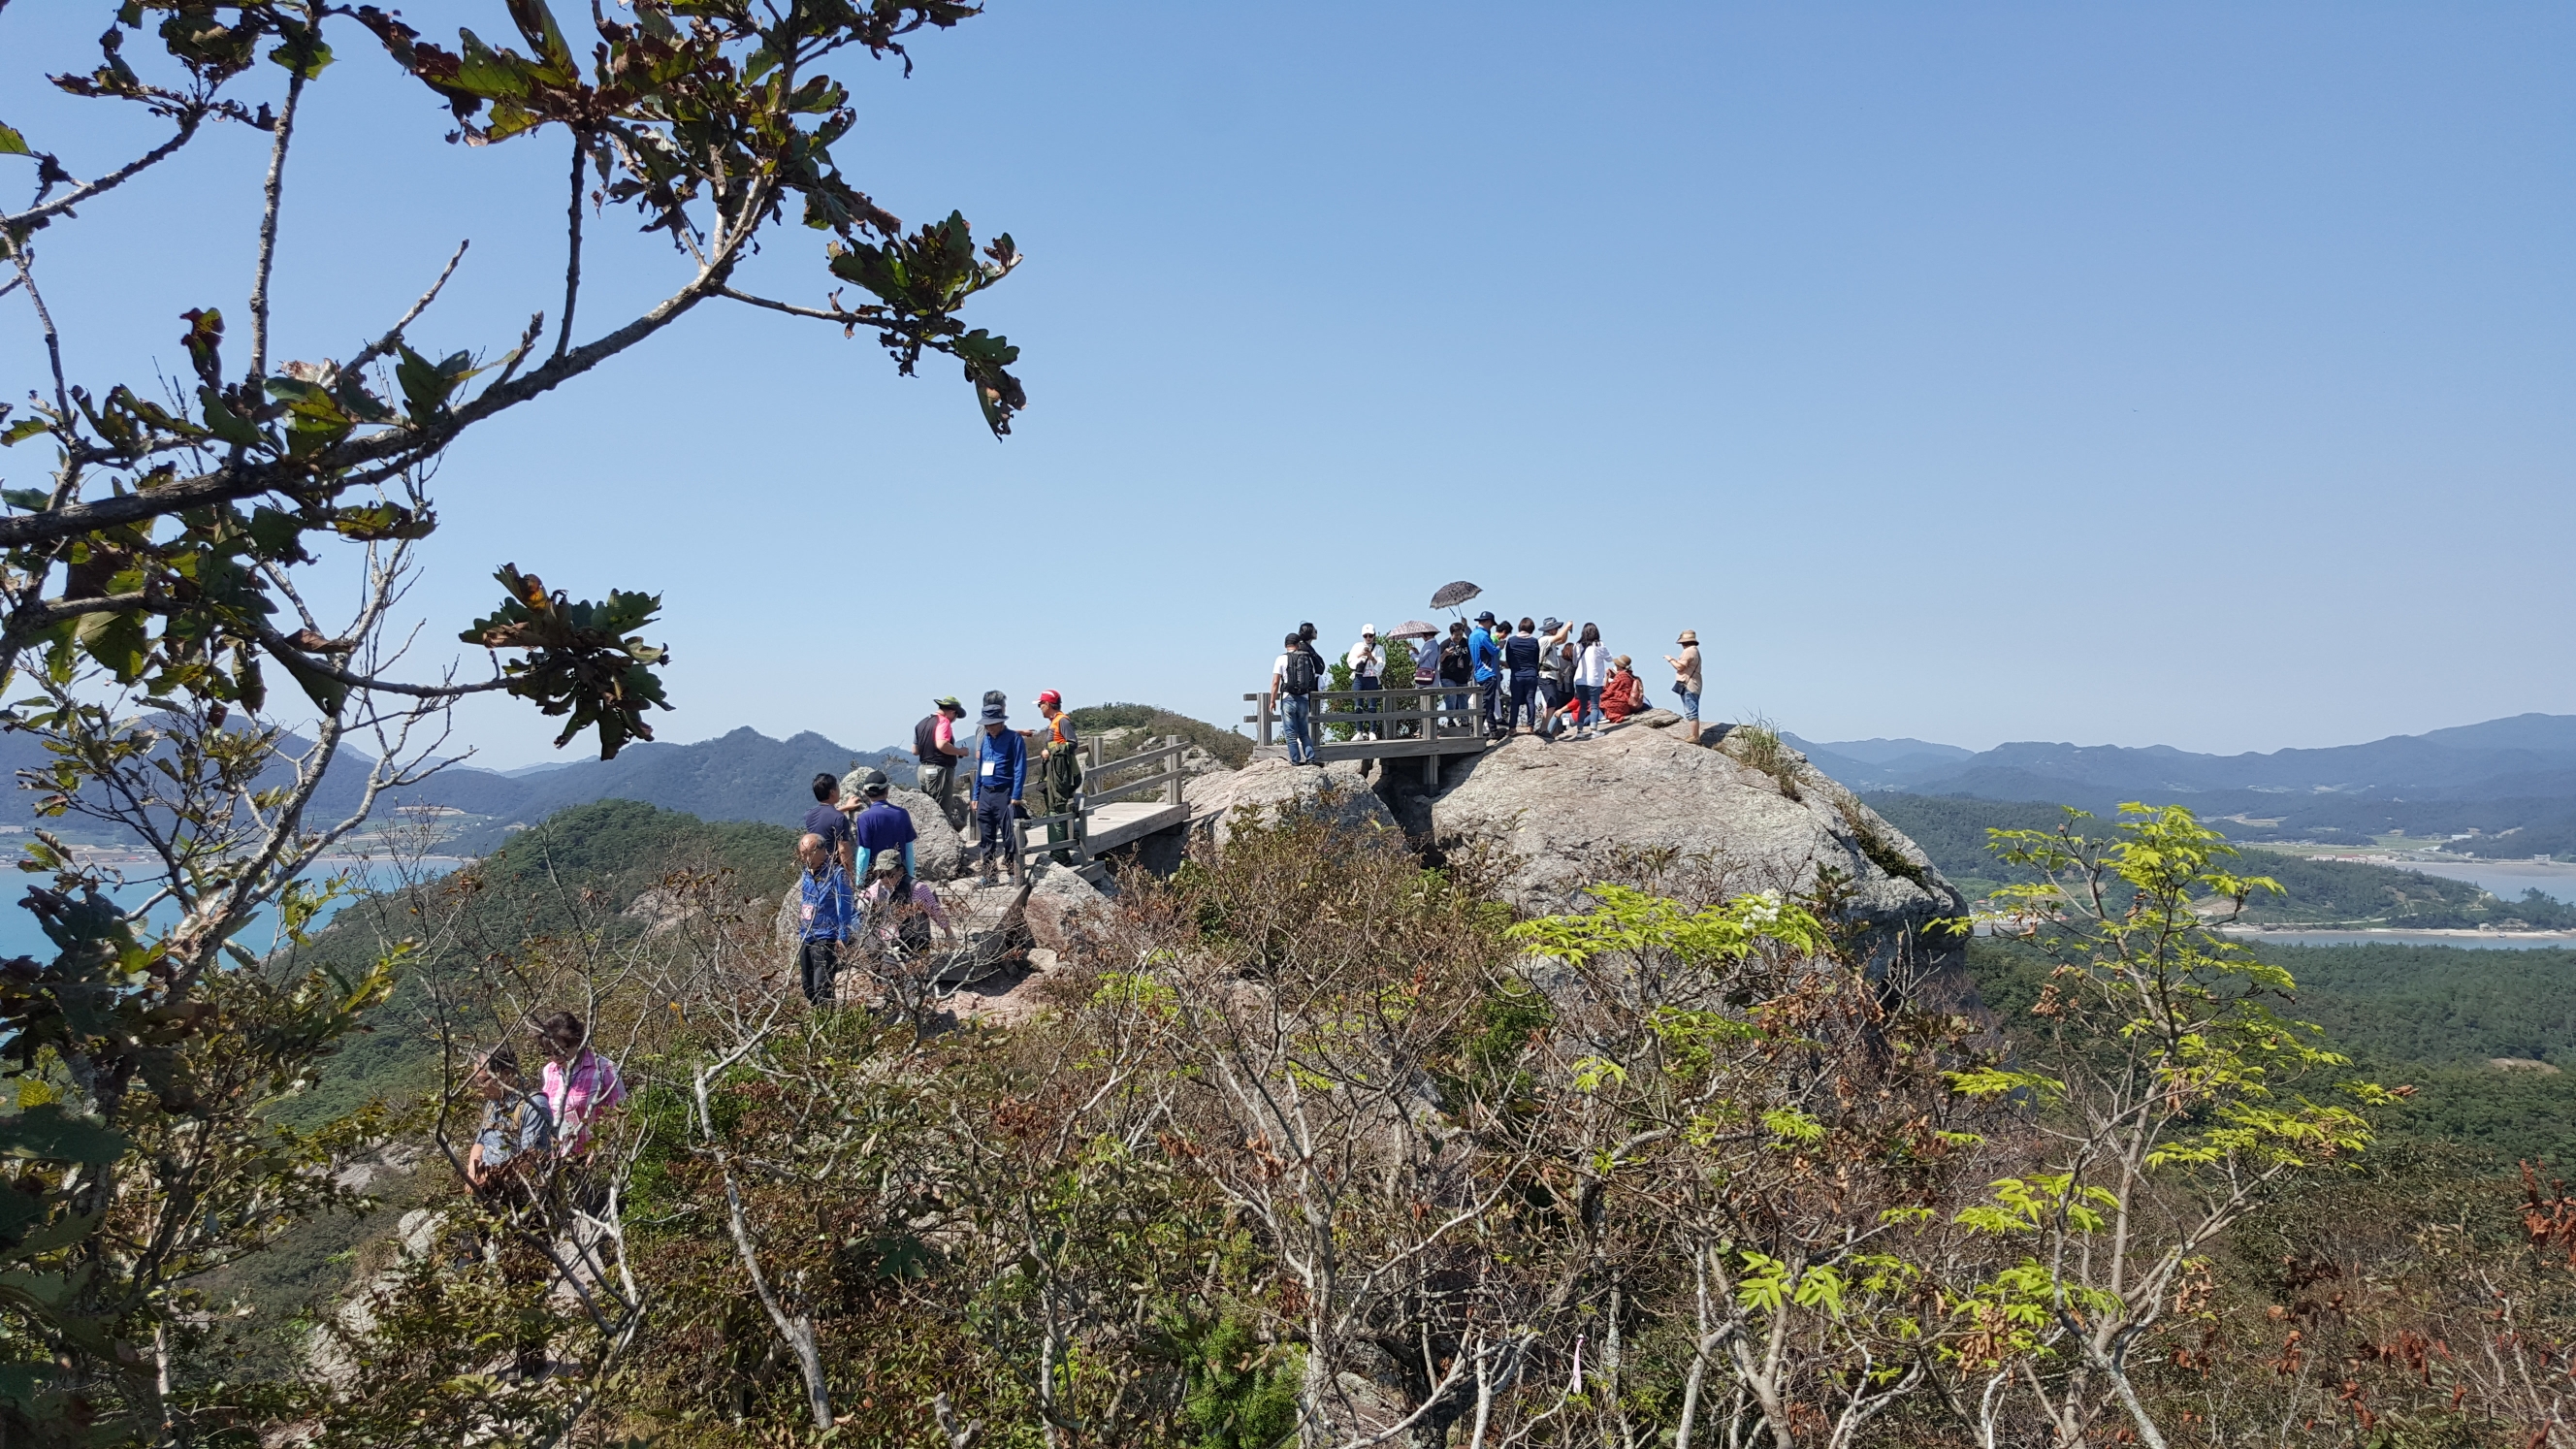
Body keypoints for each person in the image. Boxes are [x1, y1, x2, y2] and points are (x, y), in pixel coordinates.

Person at [535, 1011, 625, 1162]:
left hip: (594, 1157)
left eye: (559, 1050)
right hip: (559, 1158)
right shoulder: (549, 1071)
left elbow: (621, 1115)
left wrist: (600, 1149)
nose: (554, 1057)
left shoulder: (605, 1069)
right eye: (548, 1053)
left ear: (577, 1041)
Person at [467, 1045, 555, 1196]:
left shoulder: (533, 1106)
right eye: (476, 1082)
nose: (479, 1088)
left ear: (506, 1074)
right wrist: (472, 1171)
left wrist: (490, 1178)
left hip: (520, 1193)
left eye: (483, 1081)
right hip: (488, 1190)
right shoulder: (492, 1104)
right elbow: (481, 1141)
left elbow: (531, 1159)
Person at [795, 830, 856, 1005]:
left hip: (826, 936)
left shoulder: (837, 874)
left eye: (811, 853)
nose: (807, 858)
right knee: (807, 985)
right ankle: (818, 1020)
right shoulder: (806, 873)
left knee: (822, 986)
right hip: (806, 935)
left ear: (824, 851)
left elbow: (845, 906)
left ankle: (828, 1022)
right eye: (803, 854)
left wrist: (842, 935)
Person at [973, 699, 1028, 885]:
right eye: (986, 725)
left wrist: (1017, 795)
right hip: (985, 794)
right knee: (986, 836)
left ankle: (1013, 872)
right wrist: (975, 795)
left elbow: (1020, 767)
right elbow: (980, 768)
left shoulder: (1014, 739)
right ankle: (989, 875)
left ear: (1001, 722)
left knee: (1008, 835)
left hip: (1005, 792)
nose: (989, 728)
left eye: (992, 725)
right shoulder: (985, 740)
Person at [858, 852, 955, 958]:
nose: (885, 878)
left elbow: (936, 911)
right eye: (880, 874)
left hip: (914, 943)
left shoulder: (917, 888)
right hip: (886, 944)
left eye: (889, 874)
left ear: (900, 871)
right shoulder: (875, 890)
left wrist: (949, 934)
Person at [1028, 690, 1081, 864]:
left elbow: (1073, 743)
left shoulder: (1062, 721)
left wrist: (1050, 749)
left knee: (1057, 808)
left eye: (1040, 704)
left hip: (1059, 774)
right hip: (1053, 773)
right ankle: (1058, 852)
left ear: (1049, 705)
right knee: (1053, 809)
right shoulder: (1055, 721)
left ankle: (1059, 854)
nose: (1039, 707)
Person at [850, 767, 918, 891]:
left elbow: (864, 853)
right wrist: (911, 877)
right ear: (887, 790)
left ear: (865, 792)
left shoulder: (865, 818)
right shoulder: (902, 814)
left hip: (876, 878)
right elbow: (909, 849)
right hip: (899, 876)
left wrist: (859, 883)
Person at [913, 696, 969, 831]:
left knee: (928, 808)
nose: (954, 719)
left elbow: (915, 750)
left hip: (923, 769)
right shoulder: (943, 722)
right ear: (952, 711)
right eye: (956, 715)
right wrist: (960, 751)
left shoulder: (921, 723)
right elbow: (941, 744)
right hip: (939, 770)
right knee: (941, 810)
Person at [1271, 631, 1321, 766]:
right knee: (1304, 733)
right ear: (1298, 644)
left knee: (1291, 734)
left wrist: (1272, 701)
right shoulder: (1307, 658)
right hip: (1304, 698)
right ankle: (1310, 758)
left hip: (1288, 698)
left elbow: (1275, 682)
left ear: (1286, 645)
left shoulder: (1281, 659)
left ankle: (1296, 761)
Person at [802, 772, 855, 877]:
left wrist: (845, 808)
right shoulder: (839, 818)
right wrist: (850, 876)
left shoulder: (808, 815)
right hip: (832, 870)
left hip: (815, 868)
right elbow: (843, 850)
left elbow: (824, 816)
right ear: (832, 792)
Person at [1502, 617, 1542, 736]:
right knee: (1530, 700)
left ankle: (1512, 728)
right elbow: (1537, 659)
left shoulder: (1511, 641)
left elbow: (1509, 659)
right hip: (1531, 674)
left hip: (1517, 674)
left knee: (1515, 701)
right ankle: (1530, 726)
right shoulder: (1534, 641)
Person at [1533, 617, 1572, 741]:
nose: (1557, 630)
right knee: (1551, 701)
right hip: (1545, 675)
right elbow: (1560, 638)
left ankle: (1543, 729)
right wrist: (1567, 626)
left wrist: (1566, 630)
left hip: (1551, 676)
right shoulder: (1545, 639)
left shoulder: (1550, 640)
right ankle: (1543, 729)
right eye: (1555, 628)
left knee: (1552, 702)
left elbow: (1563, 639)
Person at [1664, 629, 1704, 742]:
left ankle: (1695, 736)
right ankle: (1694, 735)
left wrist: (1670, 659)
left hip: (1689, 684)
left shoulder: (1689, 651)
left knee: (1691, 711)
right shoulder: (1695, 651)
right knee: (1691, 709)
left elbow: (1680, 667)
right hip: (1695, 683)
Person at [1571, 624, 1609, 739]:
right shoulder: (1599, 645)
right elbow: (1609, 658)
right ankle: (1593, 731)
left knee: (1582, 706)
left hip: (1580, 679)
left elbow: (1574, 662)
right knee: (1594, 706)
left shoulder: (1577, 645)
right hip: (1595, 679)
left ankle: (1580, 731)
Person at [1345, 626, 1382, 742]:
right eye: (1365, 636)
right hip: (1359, 677)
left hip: (1372, 677)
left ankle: (1372, 731)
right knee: (1358, 705)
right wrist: (1361, 655)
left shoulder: (1379, 649)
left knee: (1372, 705)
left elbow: (1381, 666)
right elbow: (1350, 661)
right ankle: (1359, 731)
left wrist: (1371, 657)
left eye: (1370, 635)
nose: (1368, 638)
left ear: (1374, 635)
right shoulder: (1357, 646)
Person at [1468, 611, 1503, 736]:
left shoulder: (1472, 635)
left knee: (1488, 701)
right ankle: (1476, 729)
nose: (1491, 627)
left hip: (1478, 673)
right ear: (1488, 622)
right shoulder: (1483, 635)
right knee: (1487, 702)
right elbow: (1493, 651)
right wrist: (1500, 646)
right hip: (1488, 672)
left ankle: (1493, 730)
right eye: (1491, 624)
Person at [1437, 621, 1474, 733]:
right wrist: (1445, 654)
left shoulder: (1466, 643)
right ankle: (1450, 719)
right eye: (1456, 635)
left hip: (1462, 676)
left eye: (1460, 634)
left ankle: (1464, 720)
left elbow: (1472, 640)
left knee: (1463, 699)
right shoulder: (1445, 644)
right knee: (1451, 696)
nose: (1458, 637)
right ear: (1451, 634)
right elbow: (1438, 660)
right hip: (1447, 675)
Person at [1599, 653, 1644, 724]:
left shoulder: (1620, 676)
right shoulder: (1629, 675)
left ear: (1619, 666)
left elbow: (1610, 691)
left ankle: (1601, 718)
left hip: (1617, 704)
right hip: (1626, 705)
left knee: (1593, 706)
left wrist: (1599, 697)